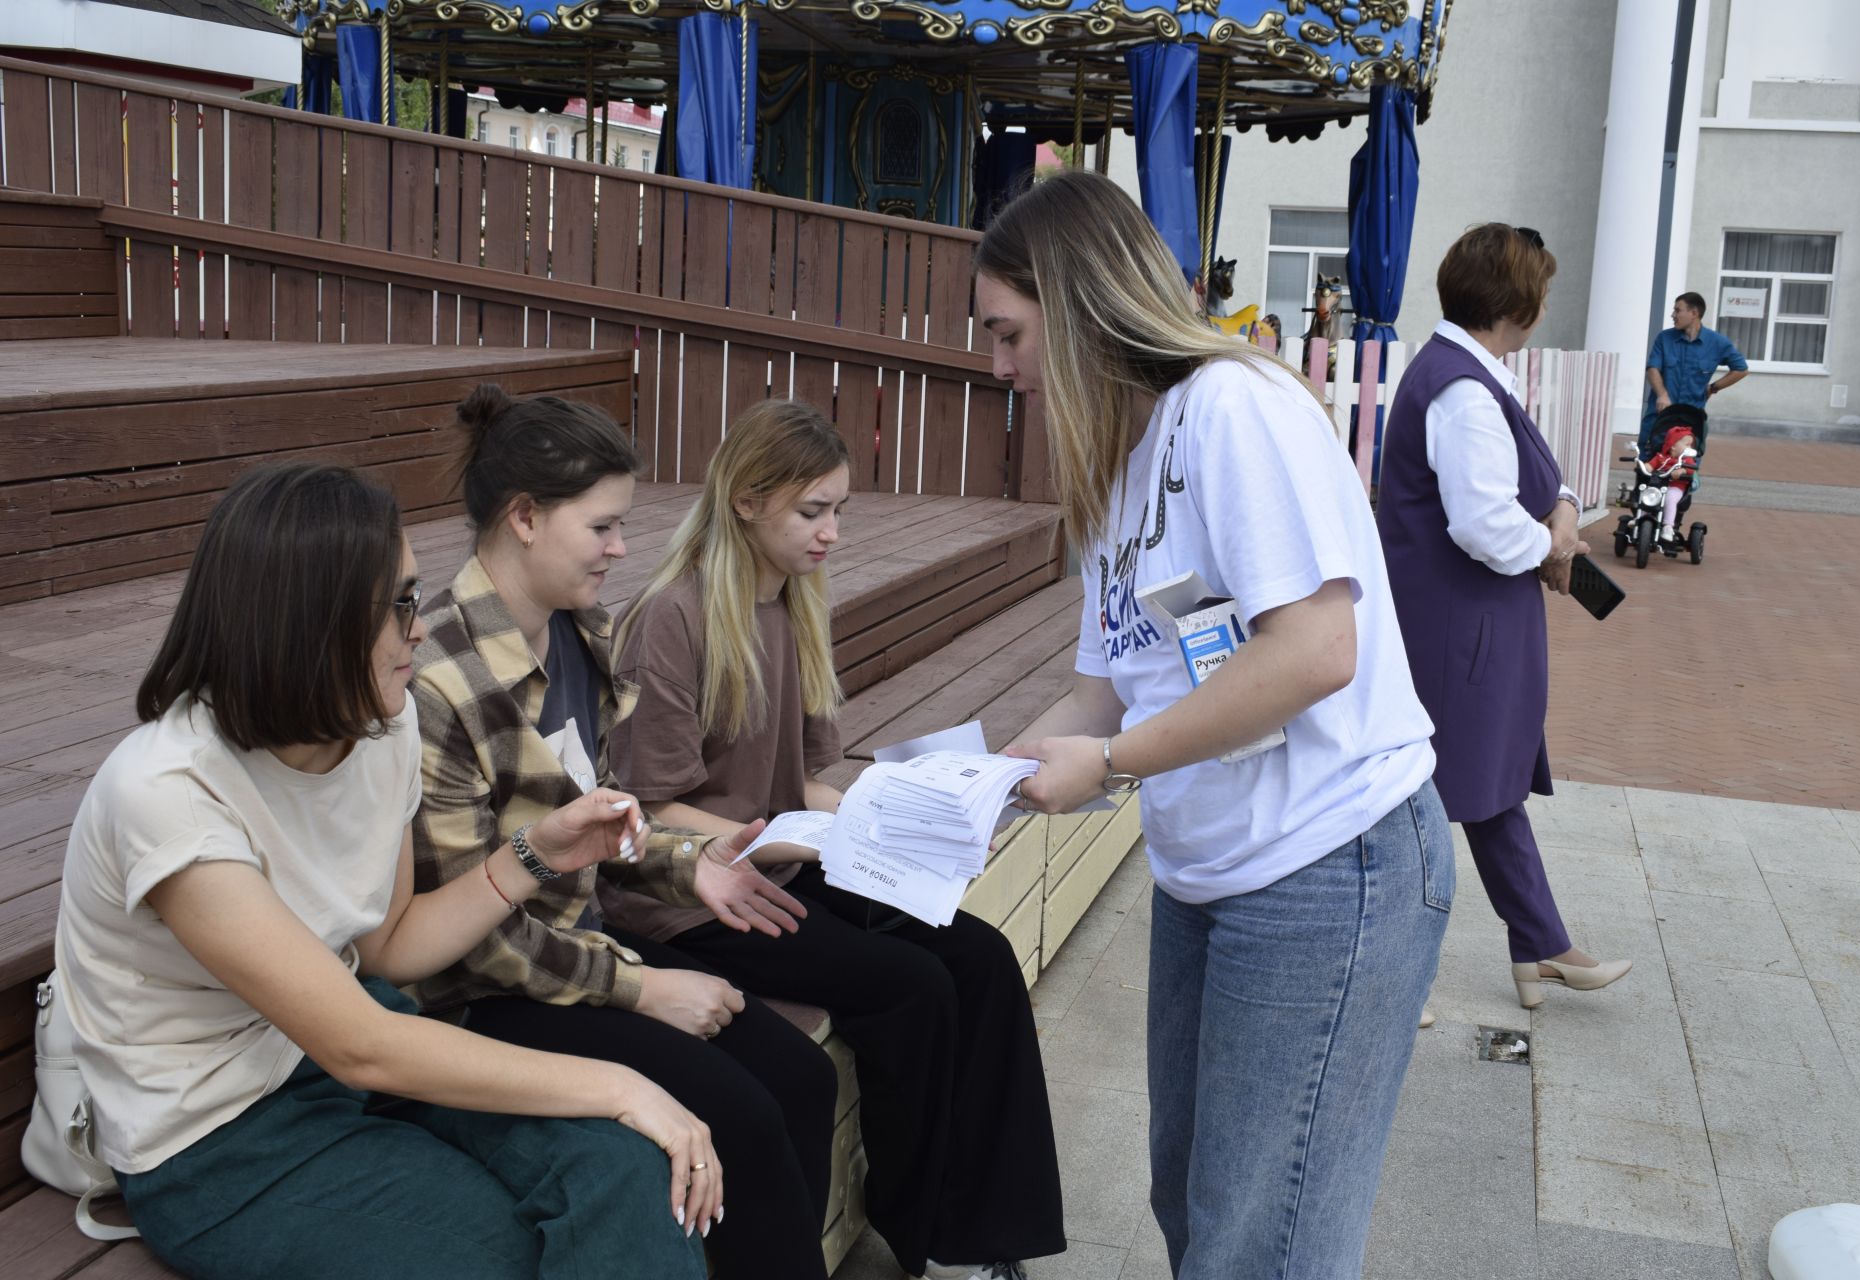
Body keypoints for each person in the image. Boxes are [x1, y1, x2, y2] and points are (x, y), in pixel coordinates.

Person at [53, 462, 711, 1280]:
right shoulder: (167, 794)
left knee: (628, 1174)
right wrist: (620, 1082)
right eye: (399, 605)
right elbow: (362, 1046)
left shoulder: (379, 728)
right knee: (506, 1256)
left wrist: (536, 852)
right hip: (214, 1138)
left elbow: (391, 946)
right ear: (309, 624)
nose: (421, 627)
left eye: (416, 593)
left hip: (340, 1050)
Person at [972, 169, 1448, 1280]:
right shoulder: (1120, 465)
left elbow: (1313, 650)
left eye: (1008, 332)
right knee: (1197, 1205)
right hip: (1213, 876)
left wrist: (1113, 764)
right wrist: (973, 789)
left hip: (1330, 863)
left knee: (1259, 1241)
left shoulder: (1231, 408)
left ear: (1081, 304)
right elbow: (1106, 690)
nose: (999, 368)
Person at [606, 398, 1066, 1280]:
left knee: (981, 959)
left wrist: (912, 816)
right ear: (746, 500)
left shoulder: (797, 604)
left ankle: (991, 1236)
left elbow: (815, 781)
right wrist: (804, 837)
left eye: (840, 511)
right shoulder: (675, 614)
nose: (831, 534)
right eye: (811, 512)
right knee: (909, 984)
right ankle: (919, 1224)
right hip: (688, 898)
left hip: (786, 862)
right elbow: (648, 806)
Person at [408, 386, 838, 1278]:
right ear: (525, 517)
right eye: (602, 526)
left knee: (803, 1077)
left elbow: (604, 828)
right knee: (744, 1116)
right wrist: (639, 990)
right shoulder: (438, 682)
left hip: (580, 948)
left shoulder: (579, 632)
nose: (620, 548)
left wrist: (692, 862)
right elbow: (467, 940)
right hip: (493, 999)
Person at [1375, 223, 1633, 1012]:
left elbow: (1540, 482)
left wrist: (1560, 512)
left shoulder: (1471, 375)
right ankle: (1395, 975)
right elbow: (1485, 524)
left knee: (1485, 786)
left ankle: (1542, 947)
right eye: (1543, 291)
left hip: (1473, 625)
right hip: (1462, 631)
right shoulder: (1461, 388)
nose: (1547, 304)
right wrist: (1554, 550)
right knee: (1431, 799)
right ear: (1518, 301)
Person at [1639, 291, 1748, 458]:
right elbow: (1652, 368)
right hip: (1660, 414)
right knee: (1647, 464)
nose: (1673, 315)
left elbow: (1741, 369)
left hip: (1690, 418)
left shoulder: (1717, 343)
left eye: (1678, 310)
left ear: (1694, 313)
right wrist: (1662, 394)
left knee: (1684, 469)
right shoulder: (1664, 338)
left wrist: (1713, 387)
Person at [1646, 426, 1700, 543]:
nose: (1689, 448)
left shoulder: (1686, 460)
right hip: (1658, 486)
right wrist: (1645, 467)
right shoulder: (1660, 457)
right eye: (1687, 445)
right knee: (1648, 496)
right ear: (1673, 445)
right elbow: (1650, 465)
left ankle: (1668, 526)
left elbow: (1691, 470)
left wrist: (1682, 471)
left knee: (1670, 499)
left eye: (1691, 445)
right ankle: (1641, 518)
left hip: (1676, 487)